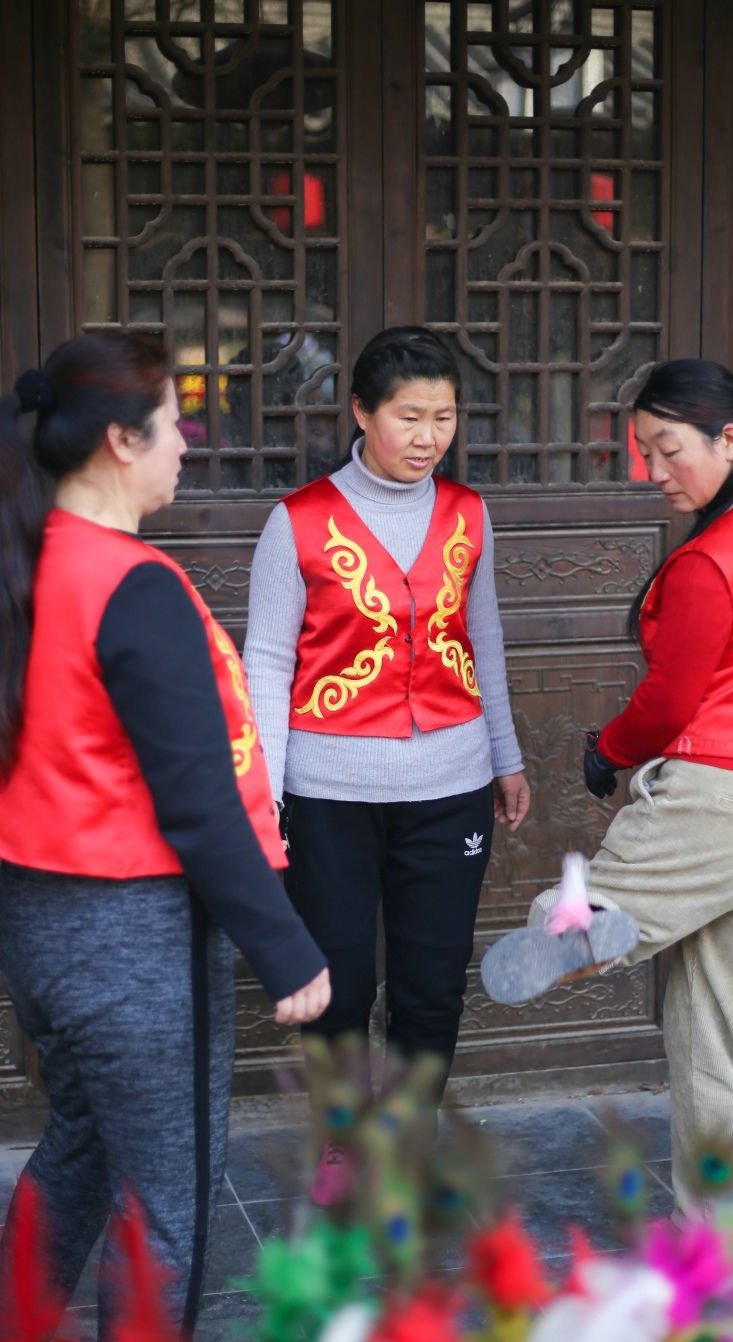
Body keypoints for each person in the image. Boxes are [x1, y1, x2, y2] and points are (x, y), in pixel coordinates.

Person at [0, 330, 329, 1342]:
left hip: (39, 922)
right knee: (170, 1200)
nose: (187, 448)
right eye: (175, 427)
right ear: (121, 441)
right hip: (134, 935)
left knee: (79, 1147)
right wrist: (287, 951)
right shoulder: (133, 585)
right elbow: (199, 806)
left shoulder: (28, 562)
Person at [542, 358, 733, 1214]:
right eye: (643, 452)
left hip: (726, 804)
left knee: (577, 922)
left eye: (669, 450)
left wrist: (606, 750)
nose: (655, 471)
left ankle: (573, 926)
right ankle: (709, 1245)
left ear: (729, 440)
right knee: (714, 1046)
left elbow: (671, 701)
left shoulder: (712, 560)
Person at [243, 326, 530, 1204]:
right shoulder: (298, 522)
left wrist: (506, 758)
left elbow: (483, 640)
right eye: (410, 415)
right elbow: (266, 662)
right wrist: (263, 798)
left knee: (431, 985)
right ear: (362, 412)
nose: (428, 435)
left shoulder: (468, 514)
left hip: (451, 787)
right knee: (340, 985)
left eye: (444, 416)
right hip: (328, 793)